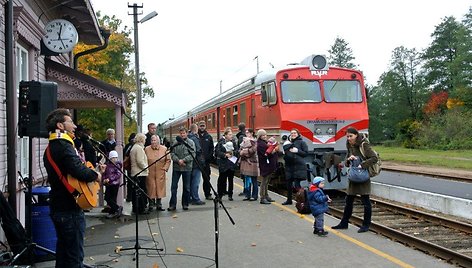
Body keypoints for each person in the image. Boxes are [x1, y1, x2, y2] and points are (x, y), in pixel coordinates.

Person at [43, 108, 102, 267]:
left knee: (63, 254)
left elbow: (71, 170)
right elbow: (77, 170)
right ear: (60, 125)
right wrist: (95, 175)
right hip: (68, 209)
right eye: (71, 122)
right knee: (74, 257)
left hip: (59, 206)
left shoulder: (51, 147)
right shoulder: (63, 145)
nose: (75, 126)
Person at [332, 127, 378, 233]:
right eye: (347, 136)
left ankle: (366, 225)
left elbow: (374, 158)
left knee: (365, 201)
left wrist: (362, 164)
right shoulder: (349, 145)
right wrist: (349, 160)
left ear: (356, 135)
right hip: (353, 176)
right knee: (349, 200)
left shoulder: (363, 145)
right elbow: (347, 159)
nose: (348, 138)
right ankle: (344, 223)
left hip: (363, 176)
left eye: (350, 136)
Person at [168, 127, 195, 211]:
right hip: (177, 168)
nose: (182, 135)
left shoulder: (191, 143)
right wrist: (178, 160)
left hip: (187, 168)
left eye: (184, 133)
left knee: (186, 187)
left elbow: (193, 154)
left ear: (187, 133)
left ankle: (185, 204)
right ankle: (172, 205)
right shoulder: (175, 142)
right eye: (181, 133)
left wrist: (184, 160)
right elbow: (172, 153)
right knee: (173, 187)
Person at [282, 128, 308, 205]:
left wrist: (297, 151)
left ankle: (301, 201)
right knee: (289, 184)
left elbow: (306, 153)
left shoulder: (302, 142)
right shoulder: (288, 143)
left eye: (295, 133)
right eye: (292, 133)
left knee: (297, 185)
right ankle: (289, 200)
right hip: (290, 166)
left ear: (298, 134)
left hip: (298, 166)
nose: (293, 134)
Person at [145, 135, 171, 211]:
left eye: (155, 140)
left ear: (158, 141)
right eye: (152, 140)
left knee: (159, 188)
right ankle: (151, 204)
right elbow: (144, 159)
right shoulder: (147, 149)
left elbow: (168, 160)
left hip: (160, 172)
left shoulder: (164, 149)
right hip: (150, 172)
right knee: (151, 187)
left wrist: (165, 168)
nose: (153, 142)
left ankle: (159, 204)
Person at [215, 129, 238, 200]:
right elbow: (217, 152)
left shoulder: (233, 142)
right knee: (221, 180)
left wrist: (232, 153)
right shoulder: (221, 142)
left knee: (231, 180)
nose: (231, 136)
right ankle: (220, 194)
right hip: (223, 164)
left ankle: (230, 195)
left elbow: (237, 151)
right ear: (225, 135)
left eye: (231, 134)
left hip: (231, 164)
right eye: (229, 134)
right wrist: (225, 155)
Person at [256, 129, 278, 204]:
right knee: (264, 181)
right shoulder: (260, 144)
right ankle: (262, 197)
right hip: (265, 165)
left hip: (268, 165)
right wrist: (274, 150)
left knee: (267, 181)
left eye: (265, 135)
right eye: (263, 135)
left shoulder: (264, 143)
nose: (265, 136)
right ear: (259, 136)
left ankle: (266, 195)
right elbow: (267, 154)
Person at [130, 133, 149, 214]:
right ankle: (141, 208)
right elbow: (140, 161)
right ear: (141, 140)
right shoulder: (139, 148)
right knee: (141, 191)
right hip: (140, 173)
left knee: (136, 192)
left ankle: (136, 208)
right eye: (144, 139)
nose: (145, 141)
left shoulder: (134, 147)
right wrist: (146, 167)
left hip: (135, 172)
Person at [188, 124, 206, 205]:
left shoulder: (187, 137)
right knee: (196, 181)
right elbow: (198, 150)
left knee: (190, 181)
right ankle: (196, 198)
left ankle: (190, 197)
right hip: (196, 163)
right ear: (196, 129)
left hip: (190, 163)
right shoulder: (195, 138)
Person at [239, 129, 259, 202]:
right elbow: (239, 150)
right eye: (246, 133)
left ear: (251, 133)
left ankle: (254, 195)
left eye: (248, 133)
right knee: (247, 180)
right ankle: (247, 195)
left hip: (252, 162)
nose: (246, 134)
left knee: (254, 180)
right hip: (245, 162)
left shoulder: (254, 142)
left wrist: (243, 152)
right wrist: (242, 152)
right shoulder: (244, 141)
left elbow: (252, 151)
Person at [102, 150, 123, 218]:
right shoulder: (107, 165)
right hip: (108, 184)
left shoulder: (117, 165)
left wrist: (110, 179)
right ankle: (115, 209)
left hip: (114, 184)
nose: (114, 159)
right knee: (108, 198)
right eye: (112, 158)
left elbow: (118, 174)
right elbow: (104, 173)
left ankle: (115, 210)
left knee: (111, 198)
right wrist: (104, 179)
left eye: (115, 158)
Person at [197, 121, 214, 200]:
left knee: (207, 178)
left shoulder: (209, 137)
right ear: (198, 127)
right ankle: (193, 196)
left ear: (205, 126)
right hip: (197, 161)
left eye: (203, 126)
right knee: (195, 179)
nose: (202, 127)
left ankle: (208, 193)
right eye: (201, 126)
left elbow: (211, 148)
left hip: (206, 162)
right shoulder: (196, 136)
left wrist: (209, 157)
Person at [123, 133, 136, 202]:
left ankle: (130, 196)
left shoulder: (128, 146)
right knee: (131, 182)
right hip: (130, 166)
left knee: (131, 182)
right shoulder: (130, 146)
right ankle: (129, 196)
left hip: (130, 166)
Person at [235, 122, 246, 196]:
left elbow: (241, 148)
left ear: (239, 129)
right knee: (245, 176)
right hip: (243, 158)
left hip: (243, 159)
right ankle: (246, 190)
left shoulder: (241, 137)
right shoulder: (243, 135)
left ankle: (246, 191)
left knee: (244, 176)